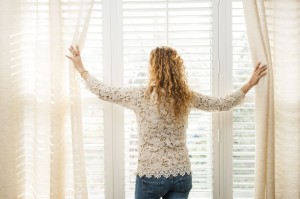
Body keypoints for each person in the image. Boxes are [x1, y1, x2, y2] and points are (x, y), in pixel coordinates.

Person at [66, 45, 267, 199]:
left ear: (154, 69)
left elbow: (105, 92)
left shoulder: (140, 96)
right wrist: (249, 83)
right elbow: (222, 104)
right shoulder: (186, 97)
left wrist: (81, 69)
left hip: (151, 176)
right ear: (176, 70)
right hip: (182, 175)